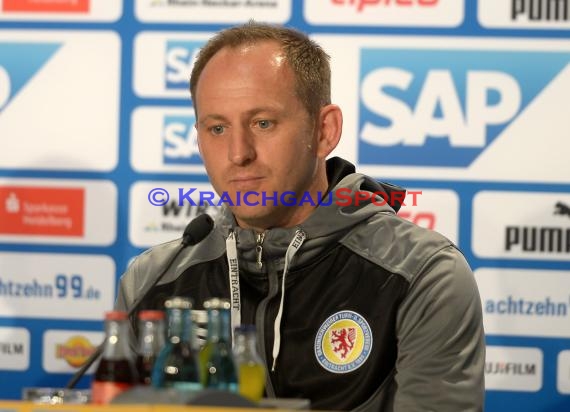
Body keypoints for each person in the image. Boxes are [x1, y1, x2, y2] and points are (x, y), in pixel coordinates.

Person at [116, 21, 485, 411]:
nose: (239, 153)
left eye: (263, 123)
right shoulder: (154, 280)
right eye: (218, 127)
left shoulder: (421, 274)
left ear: (325, 131)